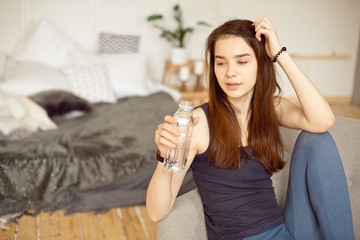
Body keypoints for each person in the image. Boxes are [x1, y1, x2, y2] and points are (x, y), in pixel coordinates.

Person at [146, 17, 354, 239]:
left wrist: (279, 55)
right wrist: (164, 155)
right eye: (221, 62)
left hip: (284, 231)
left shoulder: (270, 107)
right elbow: (156, 211)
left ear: (261, 63)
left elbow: (323, 121)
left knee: (317, 140)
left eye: (242, 61)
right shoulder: (198, 123)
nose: (229, 73)